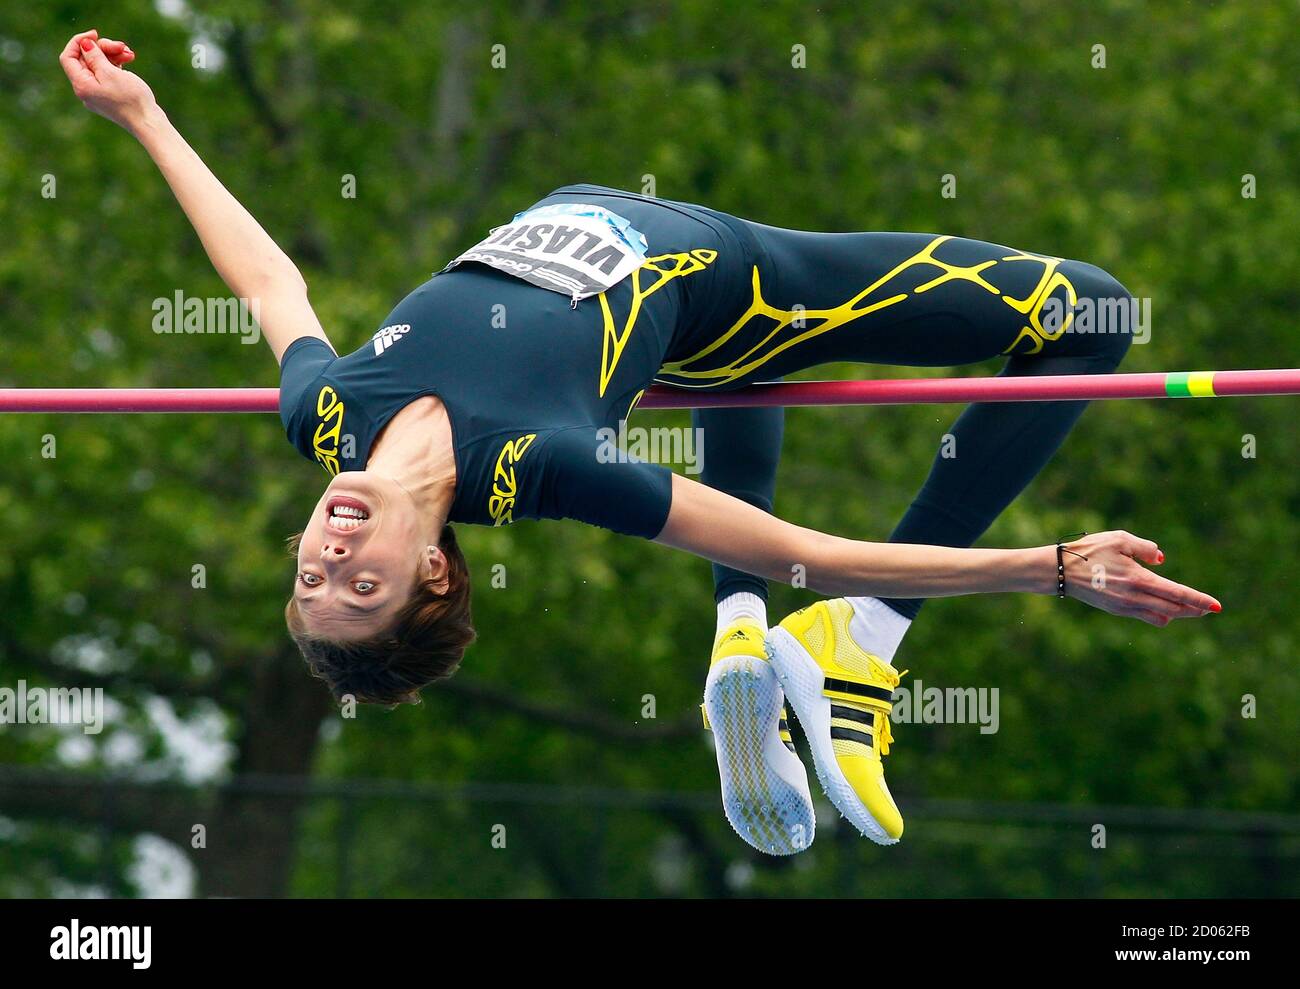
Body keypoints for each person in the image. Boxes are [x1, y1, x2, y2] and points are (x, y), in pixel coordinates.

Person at [60, 30, 1220, 855]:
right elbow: (798, 542)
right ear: (431, 569)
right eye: (355, 584)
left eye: (308, 572)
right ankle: (851, 650)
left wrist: (144, 116)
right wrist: (1051, 566)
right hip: (751, 296)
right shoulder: (537, 468)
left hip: (693, 334)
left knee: (756, 422)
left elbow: (266, 277)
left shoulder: (327, 415)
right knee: (1097, 311)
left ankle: (741, 644)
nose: (329, 550)